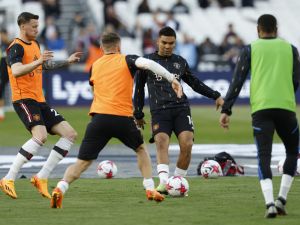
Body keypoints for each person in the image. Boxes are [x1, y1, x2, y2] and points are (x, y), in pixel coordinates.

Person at [50, 32, 183, 208]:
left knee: (82, 162)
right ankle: (150, 188)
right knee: (141, 149)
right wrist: (172, 78)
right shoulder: (126, 59)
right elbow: (149, 63)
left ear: (101, 48)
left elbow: (94, 90)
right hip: (122, 118)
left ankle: (60, 187)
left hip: (99, 118)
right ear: (119, 46)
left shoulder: (95, 65)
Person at [219, 14, 300, 218]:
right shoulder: (291, 49)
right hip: (286, 108)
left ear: (258, 29)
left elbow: (237, 81)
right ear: (277, 28)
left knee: (264, 155)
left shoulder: (250, 49)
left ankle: (270, 203)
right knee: (292, 151)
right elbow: (296, 80)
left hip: (261, 110)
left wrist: (226, 109)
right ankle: (282, 199)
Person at [0, 12, 83, 199]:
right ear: (22, 26)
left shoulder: (35, 44)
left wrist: (66, 61)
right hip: (24, 99)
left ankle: (41, 177)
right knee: (41, 136)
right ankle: (8, 178)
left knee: (70, 134)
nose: (37, 29)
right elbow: (16, 70)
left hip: (39, 100)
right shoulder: (15, 47)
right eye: (34, 26)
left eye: (38, 26)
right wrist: (38, 61)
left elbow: (42, 66)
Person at [133, 26, 224, 194]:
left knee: (187, 144)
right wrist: (138, 113)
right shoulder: (147, 62)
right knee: (161, 142)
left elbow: (195, 83)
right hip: (159, 110)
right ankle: (164, 183)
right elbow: (138, 89)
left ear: (175, 43)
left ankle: (177, 181)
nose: (167, 46)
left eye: (171, 43)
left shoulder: (180, 62)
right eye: (164, 42)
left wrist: (216, 95)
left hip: (181, 109)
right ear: (157, 41)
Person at [0, 28, 10, 121]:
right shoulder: (2, 46)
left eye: (2, 35)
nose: (1, 37)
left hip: (12, 72)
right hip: (3, 73)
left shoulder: (11, 44)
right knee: (1, 90)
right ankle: (1, 112)